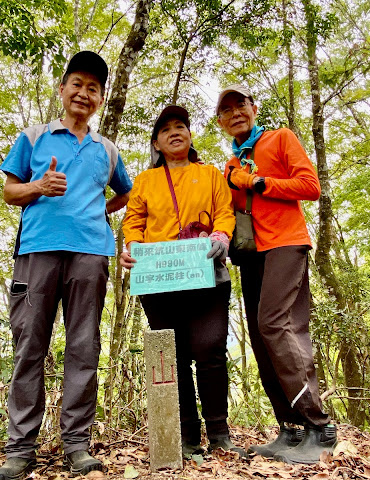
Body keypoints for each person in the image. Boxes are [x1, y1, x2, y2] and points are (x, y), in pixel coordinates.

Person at [0, 51, 133, 480]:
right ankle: (20, 451)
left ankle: (77, 445)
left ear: (101, 99)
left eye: (94, 88)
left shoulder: (106, 149)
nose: (84, 94)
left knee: (84, 347)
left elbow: (125, 192)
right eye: (78, 84)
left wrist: (98, 209)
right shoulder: (33, 137)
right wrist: (40, 185)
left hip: (91, 253)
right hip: (36, 251)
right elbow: (9, 192)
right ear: (62, 88)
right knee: (30, 344)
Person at [215, 85, 337, 465]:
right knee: (258, 333)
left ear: (254, 108)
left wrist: (260, 182)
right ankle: (291, 428)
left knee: (275, 324)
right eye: (227, 110)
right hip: (252, 254)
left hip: (286, 243)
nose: (235, 113)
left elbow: (310, 187)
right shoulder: (231, 164)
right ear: (220, 122)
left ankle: (319, 426)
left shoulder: (279, 139)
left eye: (240, 106)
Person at [119, 105, 245, 459]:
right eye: (166, 129)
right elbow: (134, 222)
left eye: (181, 127)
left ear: (190, 136)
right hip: (160, 280)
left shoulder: (209, 175)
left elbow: (224, 211)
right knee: (172, 357)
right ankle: (188, 436)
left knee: (210, 349)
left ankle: (219, 432)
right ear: (157, 143)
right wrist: (132, 250)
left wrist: (221, 236)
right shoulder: (144, 181)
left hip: (207, 273)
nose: (175, 132)